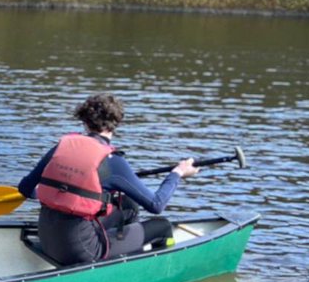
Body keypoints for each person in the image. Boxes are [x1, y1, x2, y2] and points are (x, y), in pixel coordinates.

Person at [17, 93, 199, 266]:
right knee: (162, 227)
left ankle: (125, 255)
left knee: (127, 205)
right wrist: (177, 173)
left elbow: (26, 188)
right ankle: (150, 271)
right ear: (116, 124)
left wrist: (61, 195)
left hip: (47, 237)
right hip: (81, 251)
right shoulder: (113, 161)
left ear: (85, 122)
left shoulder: (61, 147)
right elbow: (156, 205)